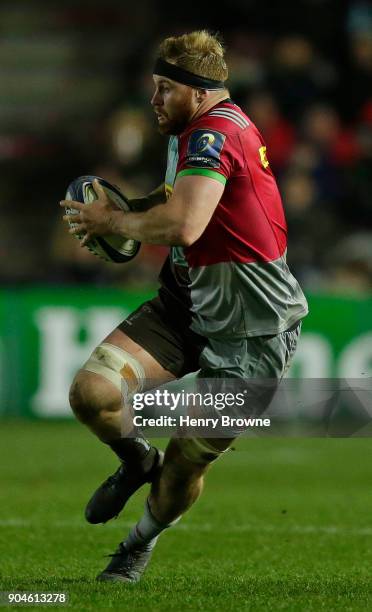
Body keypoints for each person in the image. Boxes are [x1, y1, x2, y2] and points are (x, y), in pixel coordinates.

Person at [60, 30, 308, 583]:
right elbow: (180, 202)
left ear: (198, 92)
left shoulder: (214, 136)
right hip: (187, 304)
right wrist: (136, 204)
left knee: (187, 460)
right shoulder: (193, 129)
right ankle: (135, 462)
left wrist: (112, 223)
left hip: (251, 332)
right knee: (93, 393)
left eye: (165, 89)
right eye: (154, 87)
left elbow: (185, 224)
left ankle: (135, 546)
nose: (154, 101)